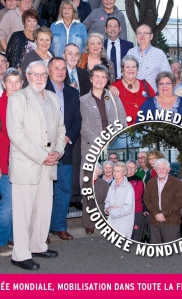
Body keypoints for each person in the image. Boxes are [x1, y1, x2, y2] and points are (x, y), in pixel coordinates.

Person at [7, 61, 66, 270]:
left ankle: (38, 245)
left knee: (43, 207)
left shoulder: (51, 97)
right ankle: (20, 254)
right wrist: (43, 156)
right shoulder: (17, 99)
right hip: (28, 163)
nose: (39, 78)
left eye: (43, 75)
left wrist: (58, 151)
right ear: (27, 77)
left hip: (49, 163)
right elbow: (16, 134)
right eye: (35, 75)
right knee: (23, 211)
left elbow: (60, 128)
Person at [80, 65, 127, 223]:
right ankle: (89, 222)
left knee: (115, 181)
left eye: (103, 77)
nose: (99, 80)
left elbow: (122, 119)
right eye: (96, 76)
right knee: (90, 185)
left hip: (113, 145)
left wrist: (113, 139)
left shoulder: (114, 97)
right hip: (91, 147)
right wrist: (99, 142)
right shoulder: (82, 101)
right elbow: (82, 126)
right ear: (91, 79)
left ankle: (112, 218)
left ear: (107, 80)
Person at [0, 68, 24, 256]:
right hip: (3, 163)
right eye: (10, 82)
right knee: (8, 201)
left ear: (22, 84)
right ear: (3, 83)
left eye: (17, 82)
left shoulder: (25, 104)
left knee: (16, 202)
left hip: (22, 163)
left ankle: (10, 237)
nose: (14, 85)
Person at [46, 58, 82, 240]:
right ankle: (41, 230)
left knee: (64, 189)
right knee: (44, 191)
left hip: (65, 148)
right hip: (44, 149)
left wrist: (67, 138)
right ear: (48, 70)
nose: (60, 71)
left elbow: (77, 120)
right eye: (56, 68)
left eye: (63, 68)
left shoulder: (72, 92)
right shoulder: (41, 89)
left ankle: (59, 226)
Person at [63, 43, 91, 210]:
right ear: (64, 54)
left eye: (76, 54)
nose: (73, 57)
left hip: (81, 121)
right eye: (69, 53)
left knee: (78, 160)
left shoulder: (83, 74)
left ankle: (76, 195)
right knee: (66, 161)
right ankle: (65, 198)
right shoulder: (59, 71)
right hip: (66, 122)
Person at [143, 159, 182, 244]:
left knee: (170, 249)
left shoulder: (176, 182)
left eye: (163, 168)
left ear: (168, 169)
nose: (161, 171)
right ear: (155, 169)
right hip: (155, 220)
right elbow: (146, 199)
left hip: (171, 220)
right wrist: (156, 213)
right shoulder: (150, 183)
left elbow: (179, 201)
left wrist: (164, 214)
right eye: (158, 169)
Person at [110, 55, 155, 125]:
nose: (131, 69)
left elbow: (155, 105)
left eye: (134, 66)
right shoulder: (114, 87)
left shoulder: (145, 85)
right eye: (127, 67)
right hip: (123, 131)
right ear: (122, 69)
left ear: (137, 69)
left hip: (145, 130)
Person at [127, 24, 171, 91]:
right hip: (132, 95)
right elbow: (124, 74)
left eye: (145, 33)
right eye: (139, 33)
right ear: (136, 36)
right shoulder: (131, 53)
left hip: (151, 97)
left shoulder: (159, 54)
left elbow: (167, 77)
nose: (142, 36)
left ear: (151, 36)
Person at [104, 162, 135, 238]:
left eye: (118, 171)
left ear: (124, 172)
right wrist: (107, 209)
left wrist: (111, 211)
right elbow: (107, 201)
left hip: (123, 223)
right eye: (114, 170)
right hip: (112, 221)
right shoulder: (113, 184)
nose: (115, 173)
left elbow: (128, 208)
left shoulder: (128, 187)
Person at [82, 163, 109, 234]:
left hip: (99, 206)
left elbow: (106, 199)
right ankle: (88, 225)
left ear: (99, 172)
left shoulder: (104, 184)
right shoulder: (85, 183)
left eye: (95, 171)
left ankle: (95, 224)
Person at [125, 160, 145, 241]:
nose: (130, 169)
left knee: (135, 235)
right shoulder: (120, 179)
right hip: (123, 212)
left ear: (136, 170)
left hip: (135, 211)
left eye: (133, 168)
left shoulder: (138, 181)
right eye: (129, 167)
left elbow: (136, 197)